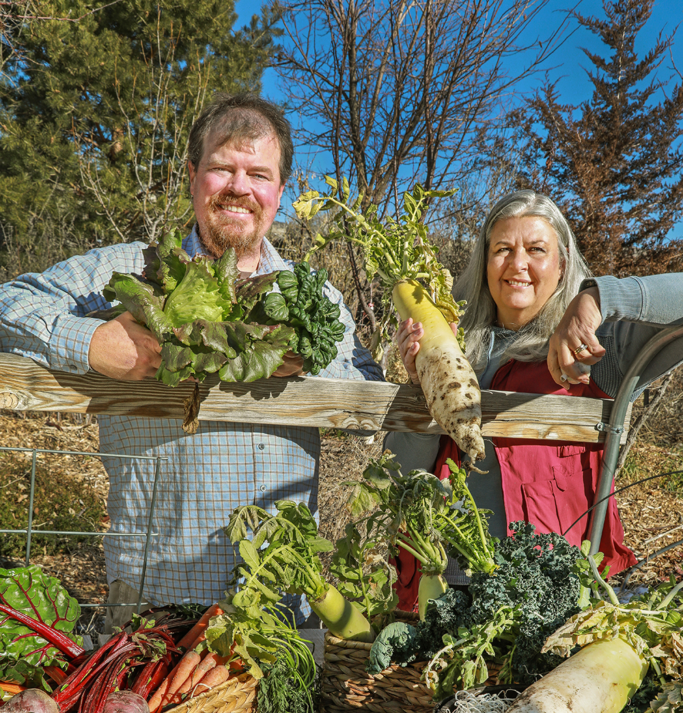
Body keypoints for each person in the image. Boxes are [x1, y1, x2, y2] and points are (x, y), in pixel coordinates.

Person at [0, 93, 383, 629]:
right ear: (191, 175)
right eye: (222, 168)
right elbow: (8, 304)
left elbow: (369, 391)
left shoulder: (313, 297)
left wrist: (308, 368)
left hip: (274, 610)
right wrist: (89, 343)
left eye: (258, 173)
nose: (239, 188)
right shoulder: (127, 272)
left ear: (280, 191)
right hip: (148, 607)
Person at [387, 189, 683, 608]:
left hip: (556, 593)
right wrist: (421, 391)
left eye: (536, 249)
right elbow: (403, 479)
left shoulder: (597, 346)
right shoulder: (452, 347)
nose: (517, 264)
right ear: (484, 263)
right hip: (450, 589)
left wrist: (597, 298)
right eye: (502, 249)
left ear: (562, 264)